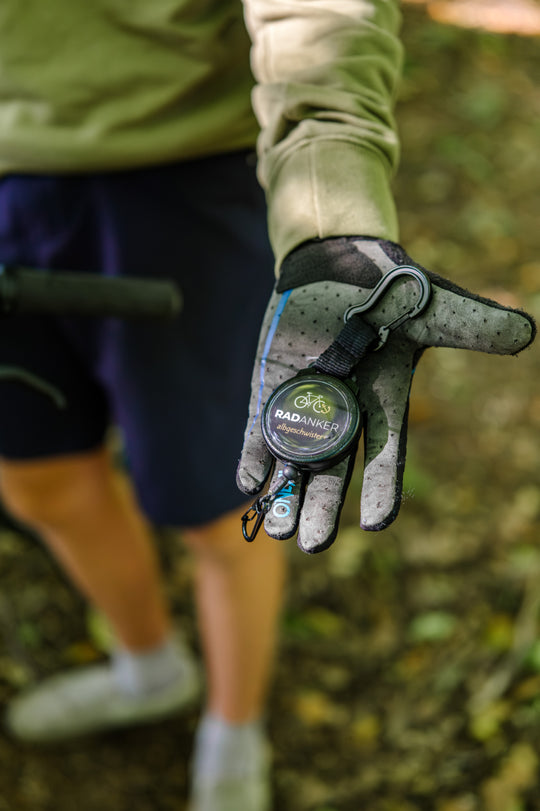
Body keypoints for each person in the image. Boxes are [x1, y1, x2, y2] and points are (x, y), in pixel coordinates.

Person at [0, 3, 534, 811]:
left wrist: (333, 231)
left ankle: (234, 720)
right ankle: (149, 665)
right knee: (37, 478)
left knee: (227, 501)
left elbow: (320, 26)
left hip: (182, 168)